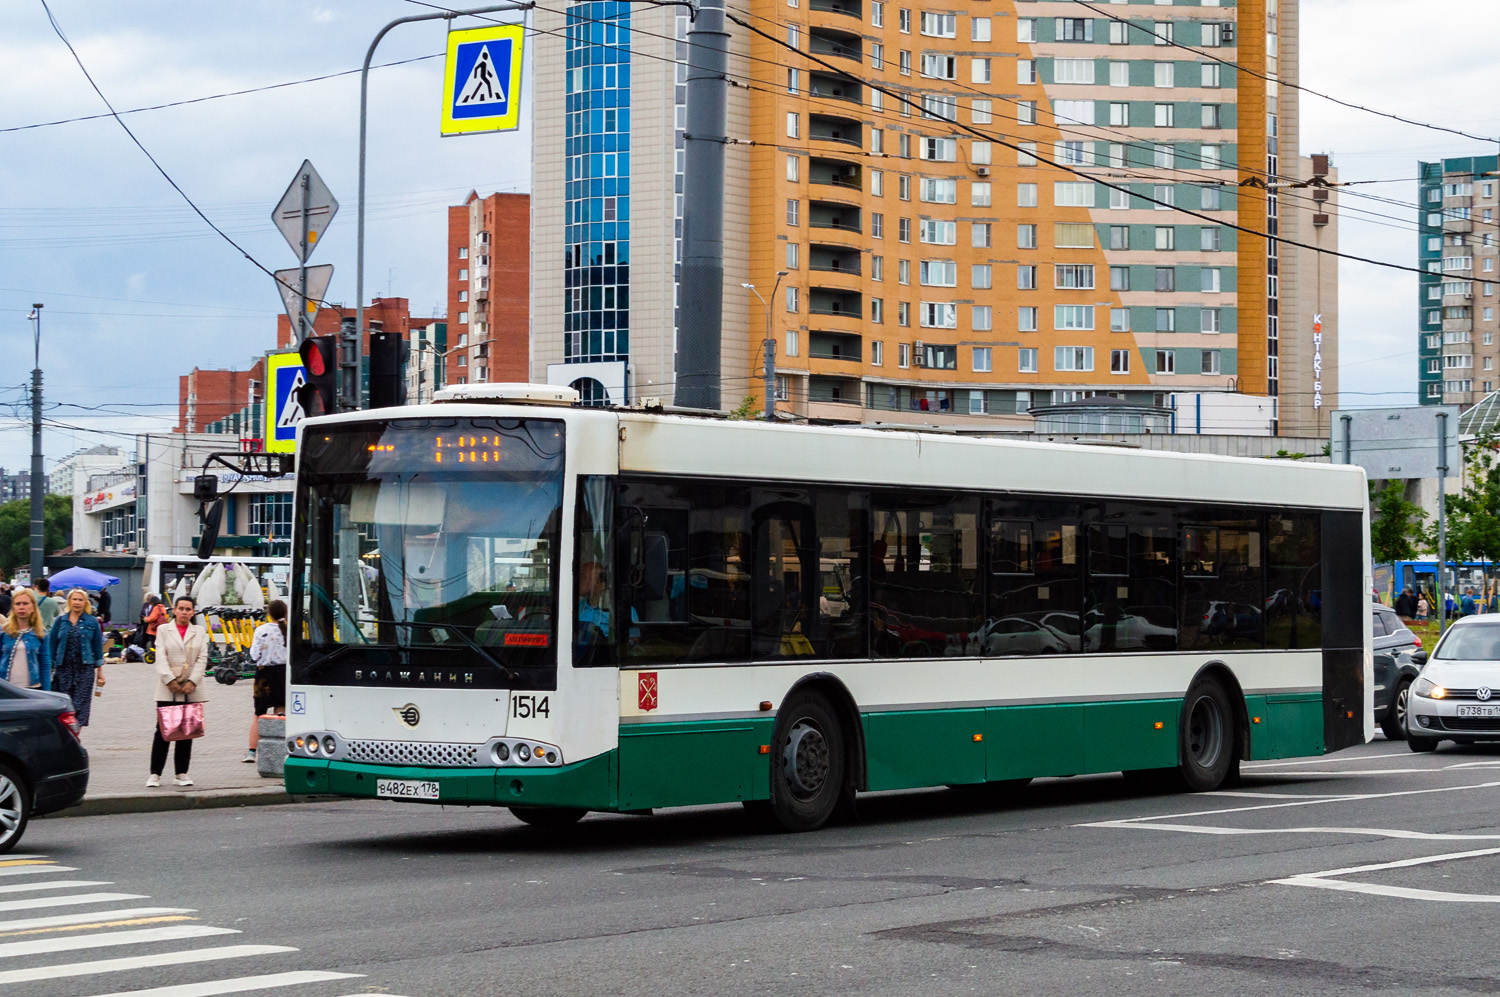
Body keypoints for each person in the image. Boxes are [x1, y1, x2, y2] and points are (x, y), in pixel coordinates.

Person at [148, 595, 207, 788]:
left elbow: (202, 658)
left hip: (191, 688)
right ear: (174, 610)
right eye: (181, 608)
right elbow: (161, 656)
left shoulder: (199, 631)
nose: (184, 612)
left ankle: (181, 773)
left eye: (188, 609)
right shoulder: (164, 630)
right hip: (168, 688)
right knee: (163, 731)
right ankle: (155, 773)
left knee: (186, 731)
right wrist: (170, 680)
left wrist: (193, 681)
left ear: (192, 612)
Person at [46, 589, 105, 725]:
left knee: (80, 707)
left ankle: (75, 738)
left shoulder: (92, 622)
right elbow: (52, 645)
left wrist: (100, 672)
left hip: (85, 669)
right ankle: (67, 737)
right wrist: (50, 667)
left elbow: (97, 647)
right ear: (69, 601)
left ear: (85, 603)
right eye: (74, 599)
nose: (77, 602)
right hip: (63, 669)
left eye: (80, 600)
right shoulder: (60, 621)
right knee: (64, 706)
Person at [245, 599, 288, 763]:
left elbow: (254, 655)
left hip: (263, 674)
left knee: (259, 714)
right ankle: (277, 751)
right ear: (285, 613)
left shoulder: (261, 630)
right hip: (283, 673)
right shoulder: (288, 630)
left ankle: (251, 752)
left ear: (268, 614)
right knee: (280, 712)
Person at [0, 589, 50, 690]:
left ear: (33, 607)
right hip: (6, 688)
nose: (21, 607)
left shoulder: (41, 634)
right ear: (13, 607)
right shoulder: (4, 632)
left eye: (25, 603)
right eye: (18, 604)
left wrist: (47, 693)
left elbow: (45, 665)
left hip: (33, 689)